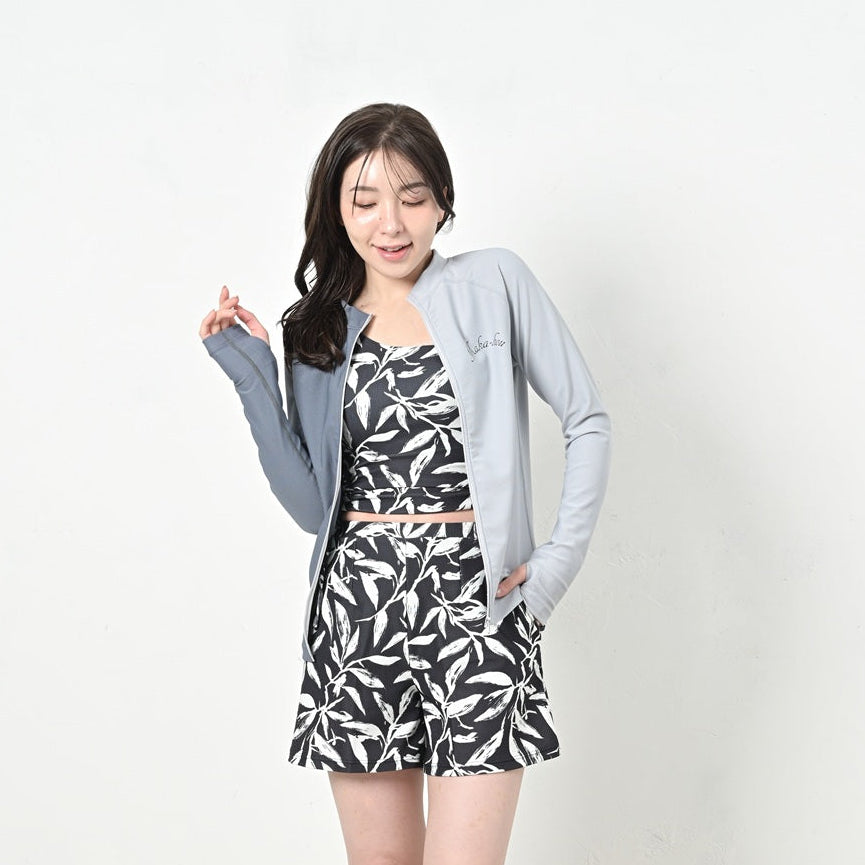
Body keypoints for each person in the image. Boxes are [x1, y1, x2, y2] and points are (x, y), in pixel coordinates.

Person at [198, 103, 611, 865]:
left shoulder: (493, 281)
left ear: (442, 201)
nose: (390, 223)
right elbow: (311, 507)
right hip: (358, 612)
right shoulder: (316, 326)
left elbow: (586, 418)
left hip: (478, 606)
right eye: (365, 201)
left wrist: (555, 564)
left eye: (412, 197)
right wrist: (252, 374)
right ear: (336, 208)